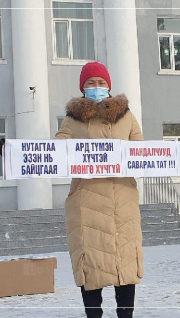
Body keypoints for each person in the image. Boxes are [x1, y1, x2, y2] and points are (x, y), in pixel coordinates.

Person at [55, 62, 144, 318]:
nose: (97, 87)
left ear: (109, 86)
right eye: (90, 83)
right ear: (82, 89)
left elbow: (140, 151)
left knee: (125, 264)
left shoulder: (126, 116)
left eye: (101, 82)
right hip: (87, 204)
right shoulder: (73, 119)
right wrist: (13, 154)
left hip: (122, 202)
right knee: (89, 265)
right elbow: (54, 152)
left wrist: (177, 155)